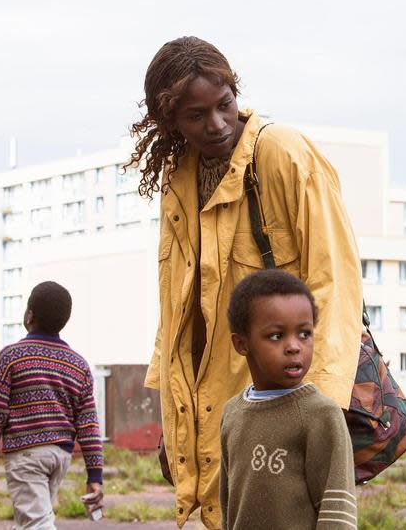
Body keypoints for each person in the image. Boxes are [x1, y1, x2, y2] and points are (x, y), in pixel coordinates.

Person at [129, 37, 363, 529]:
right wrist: (176, 428)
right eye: (196, 116)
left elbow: (335, 278)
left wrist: (319, 406)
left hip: (287, 400)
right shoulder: (178, 181)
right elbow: (176, 312)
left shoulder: (283, 153)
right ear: (169, 122)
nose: (216, 124)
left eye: (225, 104)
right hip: (224, 411)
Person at [220, 269, 357, 529]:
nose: (294, 346)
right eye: (276, 336)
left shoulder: (320, 414)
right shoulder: (232, 413)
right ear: (241, 344)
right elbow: (228, 505)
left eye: (304, 333)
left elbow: (337, 508)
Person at [0, 281, 104, 529]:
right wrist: (95, 474)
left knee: (36, 523)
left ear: (29, 315)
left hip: (27, 455)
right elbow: (89, 425)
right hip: (60, 456)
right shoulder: (78, 365)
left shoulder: (11, 357)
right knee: (32, 519)